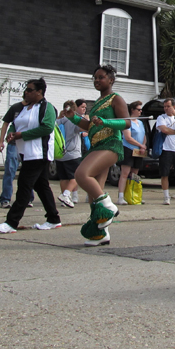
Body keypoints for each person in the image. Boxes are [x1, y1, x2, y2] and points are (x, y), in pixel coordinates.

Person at [64, 65, 129, 246]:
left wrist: (106, 121)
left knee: (81, 174)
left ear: (111, 80)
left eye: (101, 77)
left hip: (110, 144)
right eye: (95, 78)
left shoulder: (116, 99)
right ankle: (100, 234)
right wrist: (73, 117)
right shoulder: (98, 102)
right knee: (94, 193)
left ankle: (109, 207)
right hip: (96, 146)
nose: (97, 81)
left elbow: (127, 123)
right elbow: (90, 126)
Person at [0, 78, 61, 234]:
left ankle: (11, 222)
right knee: (41, 186)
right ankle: (53, 219)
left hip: (38, 153)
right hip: (25, 153)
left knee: (24, 185)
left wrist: (21, 135)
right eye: (26, 89)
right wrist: (12, 135)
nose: (26, 92)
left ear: (39, 92)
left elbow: (47, 128)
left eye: (30, 90)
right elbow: (17, 125)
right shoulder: (25, 108)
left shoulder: (47, 107)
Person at [0, 96, 33, 209]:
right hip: (14, 144)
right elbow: (6, 123)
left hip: (27, 144)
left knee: (29, 173)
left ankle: (28, 198)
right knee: (10, 171)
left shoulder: (35, 108)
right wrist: (1, 141)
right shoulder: (16, 108)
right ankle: (5, 199)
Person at [55, 100, 84, 208]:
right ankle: (66, 195)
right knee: (76, 176)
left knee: (63, 178)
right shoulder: (74, 120)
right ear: (74, 109)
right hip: (73, 153)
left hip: (60, 153)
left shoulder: (60, 119)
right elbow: (82, 128)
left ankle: (65, 200)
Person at [118, 100, 146, 205]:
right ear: (132, 110)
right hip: (128, 149)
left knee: (135, 174)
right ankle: (121, 196)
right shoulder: (127, 121)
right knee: (125, 173)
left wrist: (143, 145)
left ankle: (133, 195)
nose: (140, 112)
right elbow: (128, 137)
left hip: (138, 150)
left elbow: (143, 136)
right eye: (138, 110)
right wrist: (140, 145)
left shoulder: (140, 122)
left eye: (141, 110)